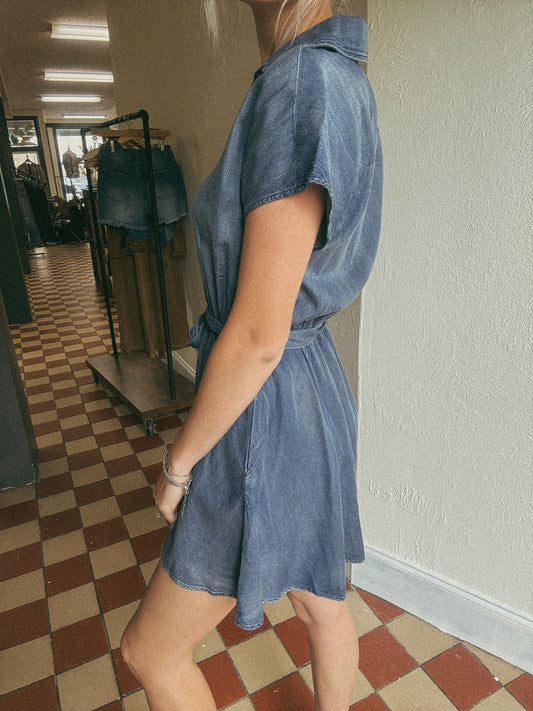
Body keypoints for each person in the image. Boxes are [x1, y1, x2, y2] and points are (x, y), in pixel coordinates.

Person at [121, 1, 383, 709]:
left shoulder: (300, 84)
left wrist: (177, 464)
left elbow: (259, 334)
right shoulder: (337, 74)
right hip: (310, 386)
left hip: (263, 404)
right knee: (320, 599)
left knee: (150, 652)